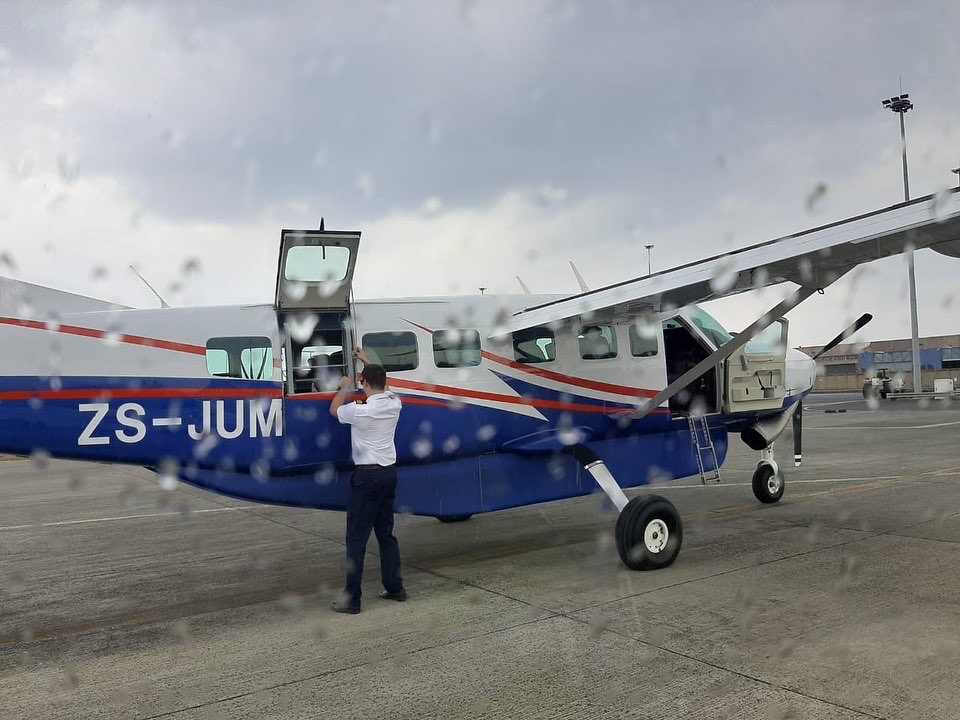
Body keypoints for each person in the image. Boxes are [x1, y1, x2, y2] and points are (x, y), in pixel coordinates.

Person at [328, 348, 406, 614]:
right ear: (384, 382)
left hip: (366, 477)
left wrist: (344, 387)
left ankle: (352, 599)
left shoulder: (359, 411)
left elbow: (334, 410)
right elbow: (384, 386)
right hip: (388, 475)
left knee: (356, 540)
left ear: (364, 383)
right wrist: (367, 362)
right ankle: (395, 588)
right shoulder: (394, 403)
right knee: (386, 534)